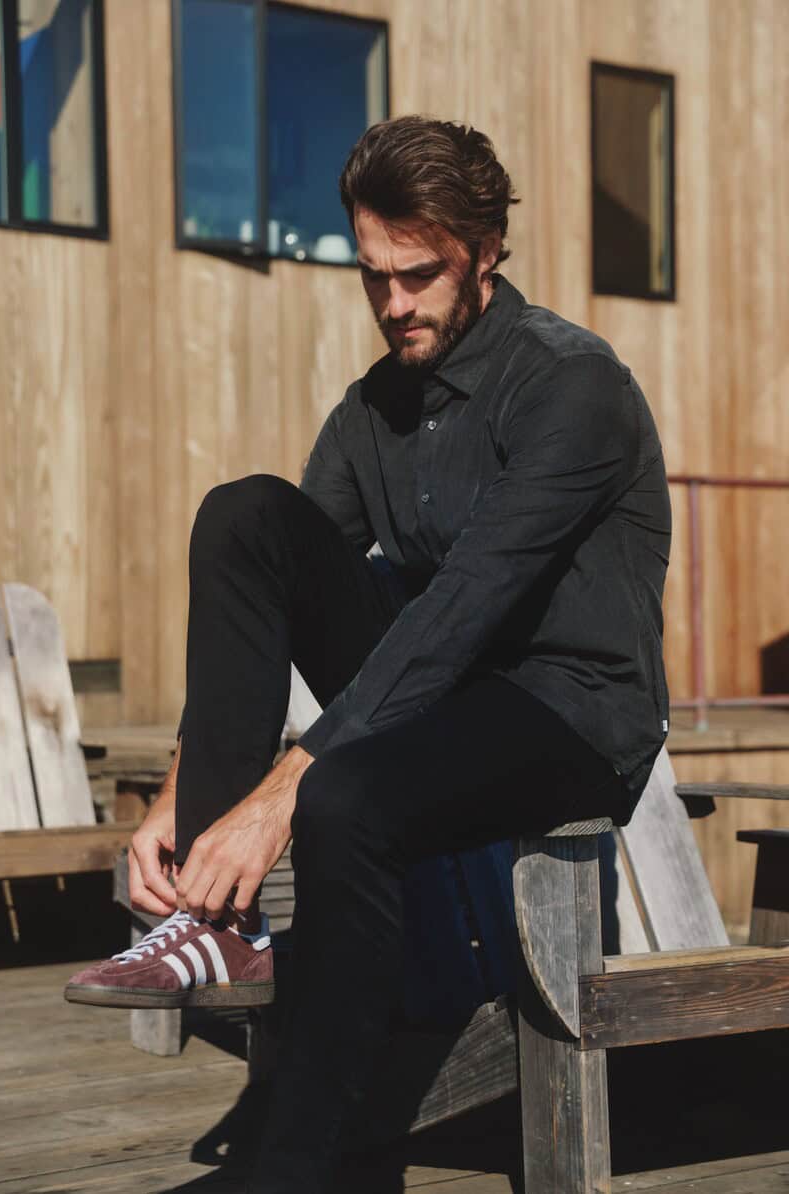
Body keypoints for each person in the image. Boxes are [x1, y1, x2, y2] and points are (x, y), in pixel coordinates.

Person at [66, 115, 671, 1191]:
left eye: (418, 274)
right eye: (372, 277)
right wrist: (181, 792)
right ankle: (218, 925)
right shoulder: (369, 410)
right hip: (432, 696)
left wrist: (291, 781)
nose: (393, 304)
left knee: (344, 797)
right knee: (246, 517)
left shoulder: (570, 385)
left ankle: (297, 1170)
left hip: (566, 710)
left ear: (483, 252)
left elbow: (470, 607)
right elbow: (277, 594)